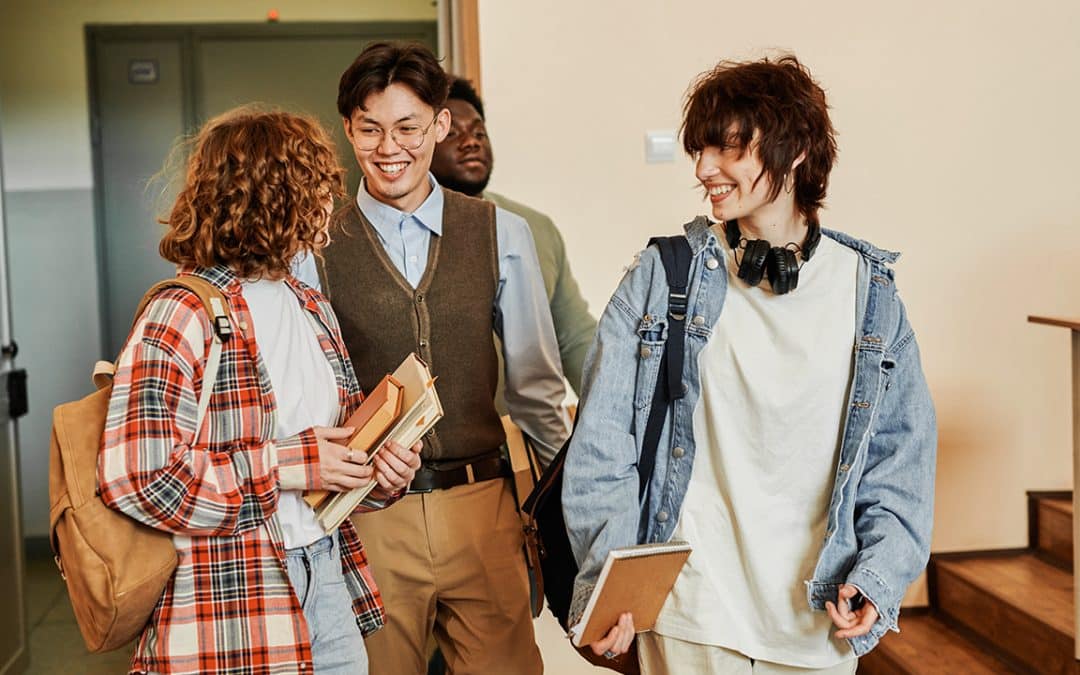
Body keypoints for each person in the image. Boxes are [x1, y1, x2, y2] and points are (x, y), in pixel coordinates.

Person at [562, 55, 937, 674]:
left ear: (793, 154)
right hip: (693, 613)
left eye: (728, 149)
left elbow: (901, 457)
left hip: (818, 622)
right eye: (700, 151)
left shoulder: (869, 293)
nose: (705, 170)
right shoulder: (663, 277)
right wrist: (612, 582)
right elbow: (603, 448)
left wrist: (879, 572)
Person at [98, 107, 423, 675]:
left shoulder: (309, 304)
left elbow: (333, 458)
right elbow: (137, 479)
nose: (330, 203)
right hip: (228, 595)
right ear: (274, 198)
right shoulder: (181, 313)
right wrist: (288, 465)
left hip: (326, 576)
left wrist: (379, 471)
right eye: (317, 186)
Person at [311, 42, 569, 675]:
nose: (389, 147)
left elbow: (538, 387)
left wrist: (573, 507)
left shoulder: (500, 232)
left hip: (482, 508)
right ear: (349, 129)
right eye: (370, 129)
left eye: (408, 128)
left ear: (440, 125)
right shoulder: (315, 247)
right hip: (367, 515)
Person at [430, 76, 596, 393]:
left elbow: (574, 338)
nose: (471, 141)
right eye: (453, 133)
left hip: (525, 433)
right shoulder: (403, 234)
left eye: (479, 132)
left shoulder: (534, 228)